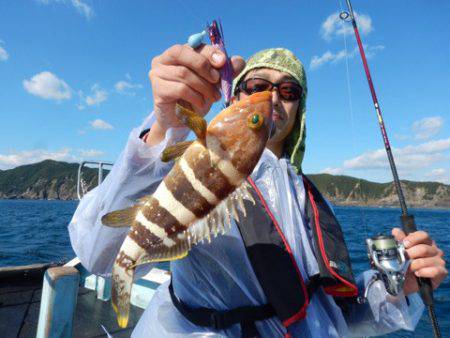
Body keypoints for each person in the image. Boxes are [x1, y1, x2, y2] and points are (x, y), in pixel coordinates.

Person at [69, 44, 447, 337]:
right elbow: (97, 251)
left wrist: (401, 288)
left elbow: (338, 312)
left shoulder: (312, 200)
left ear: (300, 108)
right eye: (256, 86)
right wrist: (161, 129)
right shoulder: (196, 163)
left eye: (287, 89)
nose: (272, 97)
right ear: (233, 97)